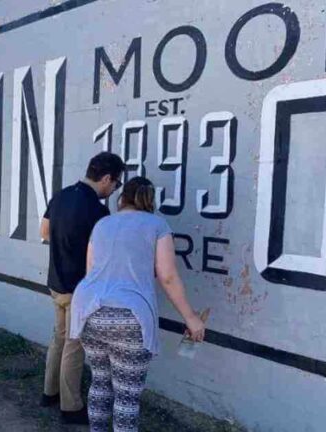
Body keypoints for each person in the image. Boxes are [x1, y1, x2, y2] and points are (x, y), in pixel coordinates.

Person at [69, 177, 206, 432]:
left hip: (89, 311)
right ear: (149, 199)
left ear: (122, 198)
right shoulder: (157, 225)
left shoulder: (103, 224)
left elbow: (92, 270)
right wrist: (191, 317)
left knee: (100, 382)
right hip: (128, 317)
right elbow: (167, 276)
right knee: (127, 395)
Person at [39, 152, 125, 425]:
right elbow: (103, 253)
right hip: (79, 288)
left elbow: (44, 232)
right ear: (107, 178)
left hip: (55, 282)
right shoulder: (98, 211)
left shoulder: (60, 195)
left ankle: (48, 393)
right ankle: (71, 407)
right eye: (116, 184)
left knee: (59, 338)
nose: (114, 190)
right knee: (74, 346)